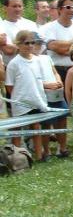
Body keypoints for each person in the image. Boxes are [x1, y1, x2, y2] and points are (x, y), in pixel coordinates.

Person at [4, 30, 49, 160]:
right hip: (20, 102)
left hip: (36, 99)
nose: (29, 46)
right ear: (18, 44)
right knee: (18, 130)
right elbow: (9, 85)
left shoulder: (37, 60)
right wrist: (18, 99)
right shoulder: (14, 63)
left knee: (36, 127)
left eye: (32, 43)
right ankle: (18, 157)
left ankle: (39, 155)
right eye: (26, 43)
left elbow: (40, 80)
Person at [30, 33, 67, 161]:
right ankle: (46, 151)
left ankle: (62, 147)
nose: (38, 46)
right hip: (43, 94)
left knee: (62, 119)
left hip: (56, 93)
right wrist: (47, 85)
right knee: (45, 124)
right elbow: (32, 80)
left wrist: (58, 80)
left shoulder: (46, 58)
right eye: (35, 43)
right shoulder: (29, 60)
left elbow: (54, 71)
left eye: (40, 43)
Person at [2, 0, 38, 64]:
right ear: (5, 8)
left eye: (20, 6)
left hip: (32, 65)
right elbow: (8, 50)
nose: (18, 9)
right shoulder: (1, 26)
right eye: (14, 6)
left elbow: (38, 47)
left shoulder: (31, 24)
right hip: (11, 67)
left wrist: (18, 47)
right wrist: (29, 48)